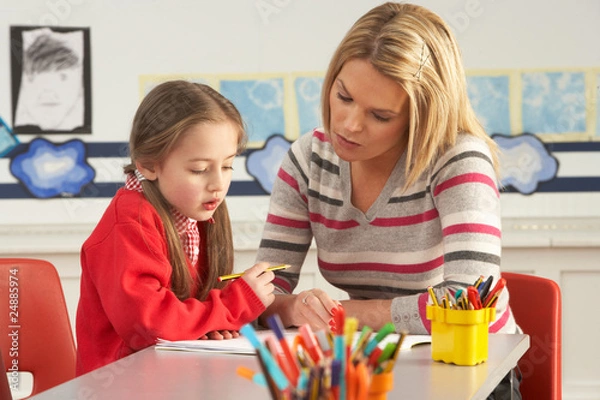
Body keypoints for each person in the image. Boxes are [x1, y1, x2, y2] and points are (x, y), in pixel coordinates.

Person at [255, 3, 520, 398]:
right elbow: (265, 290)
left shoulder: (458, 159)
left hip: (472, 369)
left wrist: (347, 315)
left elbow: (467, 304)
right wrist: (292, 308)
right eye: (343, 96)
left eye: (380, 115)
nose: (349, 125)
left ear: (422, 117)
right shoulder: (309, 159)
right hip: (373, 361)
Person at [76, 80, 275, 375]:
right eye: (199, 169)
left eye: (228, 166)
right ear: (147, 164)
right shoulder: (130, 222)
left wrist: (210, 326)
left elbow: (184, 318)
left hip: (173, 378)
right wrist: (236, 305)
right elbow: (151, 324)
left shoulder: (200, 213)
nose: (218, 184)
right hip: (120, 387)